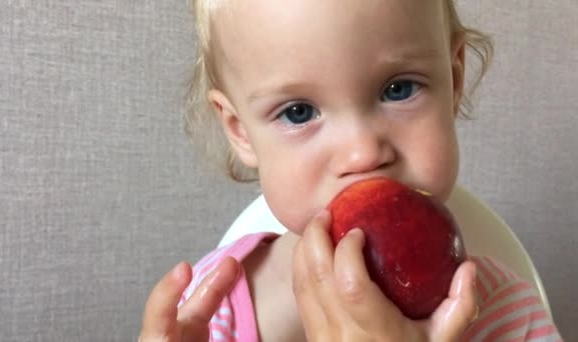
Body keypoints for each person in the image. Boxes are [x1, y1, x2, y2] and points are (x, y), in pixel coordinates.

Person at [139, 0, 563, 341]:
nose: (362, 154)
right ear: (241, 131)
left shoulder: (508, 318)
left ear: (453, 81)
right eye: (298, 111)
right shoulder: (208, 313)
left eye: (399, 88)